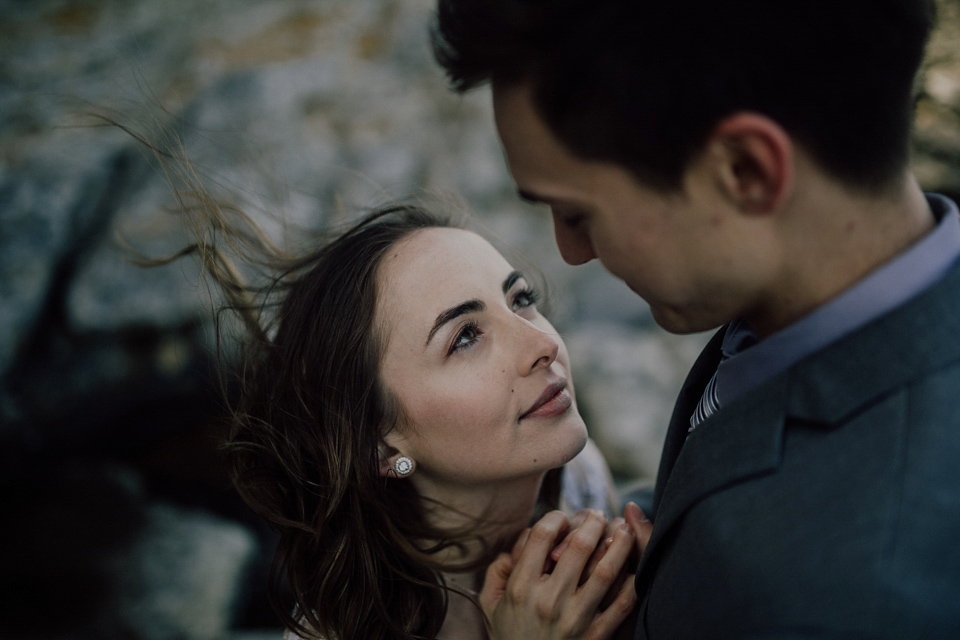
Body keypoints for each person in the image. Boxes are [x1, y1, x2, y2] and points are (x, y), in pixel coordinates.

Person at [431, 0, 960, 638]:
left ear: (746, 171)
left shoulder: (846, 596)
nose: (572, 252)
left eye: (577, 212)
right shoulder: (784, 311)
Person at [169, 198, 646, 640]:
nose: (542, 345)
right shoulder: (343, 632)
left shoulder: (578, 481)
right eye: (464, 337)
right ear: (380, 444)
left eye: (521, 299)